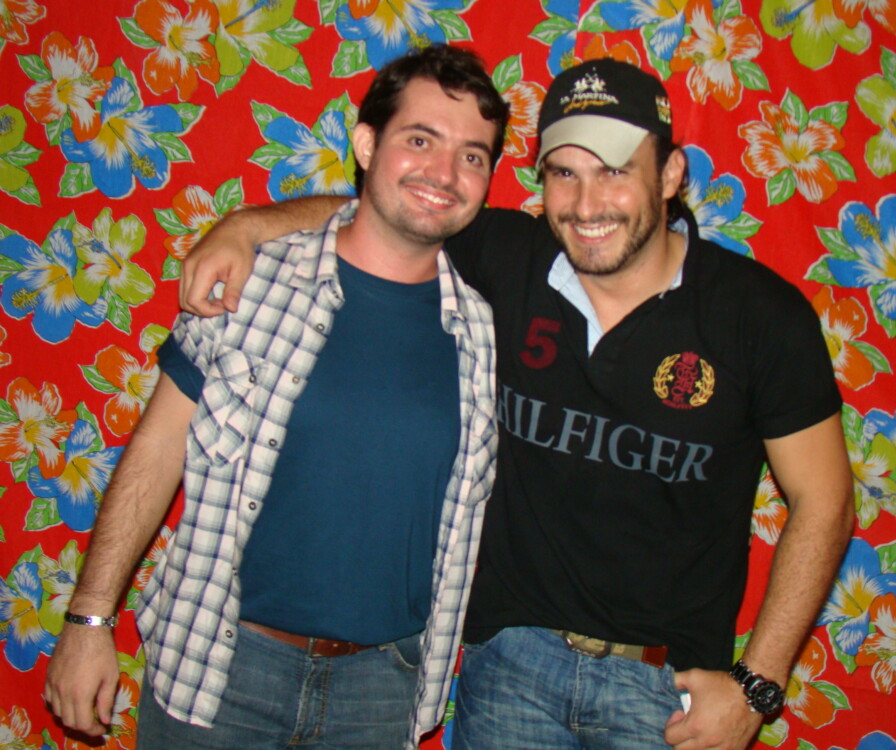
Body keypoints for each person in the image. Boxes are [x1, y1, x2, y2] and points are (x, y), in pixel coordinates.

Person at [179, 57, 855, 749]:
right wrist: (248, 226)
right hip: (509, 670)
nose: (586, 205)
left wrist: (757, 684)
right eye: (565, 173)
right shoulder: (506, 259)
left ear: (671, 174)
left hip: (667, 692)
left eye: (614, 171)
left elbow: (825, 501)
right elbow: (388, 215)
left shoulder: (759, 316)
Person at [44, 44, 508, 750]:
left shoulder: (481, 330)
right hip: (222, 671)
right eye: (420, 140)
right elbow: (158, 448)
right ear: (366, 144)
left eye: (472, 155)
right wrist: (89, 618)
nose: (445, 173)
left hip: (382, 690)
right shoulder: (252, 282)